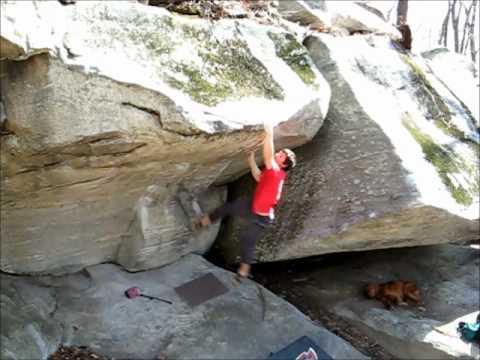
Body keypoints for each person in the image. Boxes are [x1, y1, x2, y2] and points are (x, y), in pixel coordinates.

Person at [199, 121, 296, 279]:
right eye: (280, 152)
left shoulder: (277, 172)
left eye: (281, 155)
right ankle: (204, 222)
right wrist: (250, 158)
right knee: (228, 208)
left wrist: (269, 132)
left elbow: (268, 155)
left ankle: (244, 270)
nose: (278, 154)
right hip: (252, 206)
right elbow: (258, 176)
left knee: (248, 241)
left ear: (283, 164)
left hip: (262, 218)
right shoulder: (272, 173)